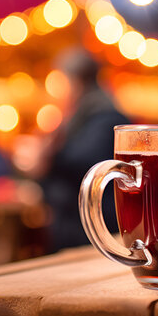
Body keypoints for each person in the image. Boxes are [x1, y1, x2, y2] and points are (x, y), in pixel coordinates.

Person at [39, 49, 131, 251]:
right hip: (78, 225)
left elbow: (89, 163)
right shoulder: (79, 114)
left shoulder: (104, 116)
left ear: (76, 81)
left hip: (93, 230)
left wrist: (48, 158)